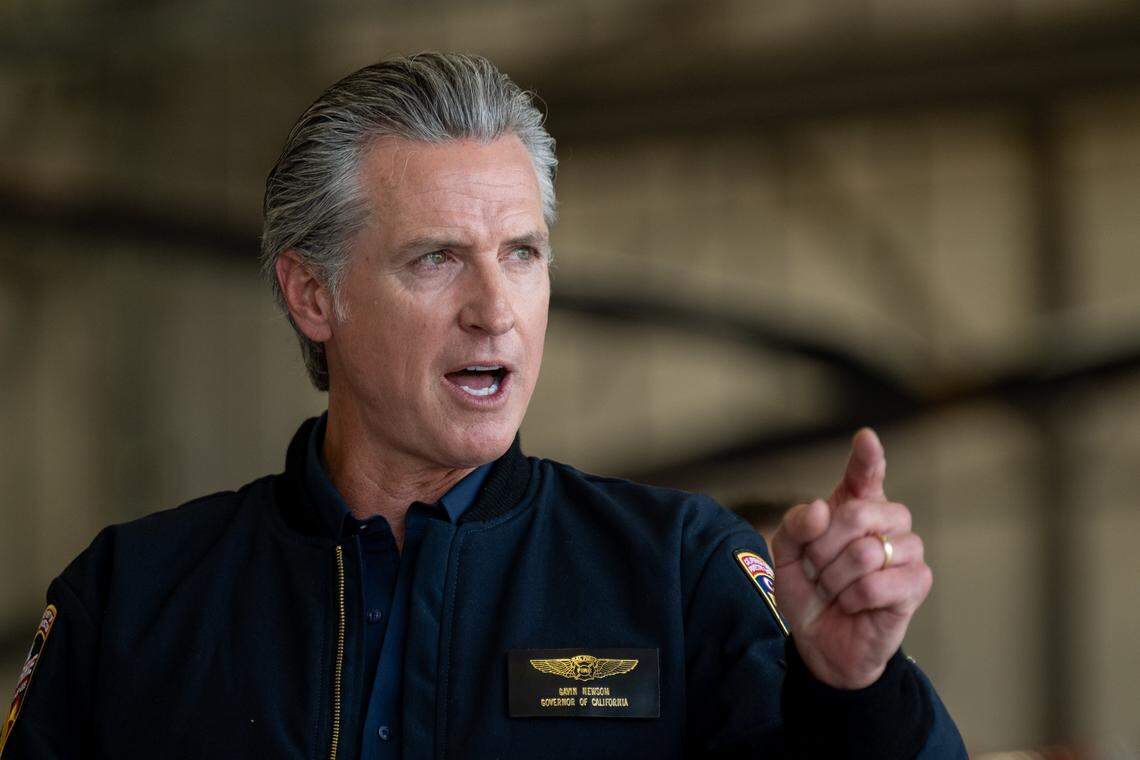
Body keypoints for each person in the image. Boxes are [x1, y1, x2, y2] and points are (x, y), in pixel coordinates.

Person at [0, 53, 967, 759]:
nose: (494, 310)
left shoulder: (681, 574)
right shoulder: (133, 600)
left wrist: (854, 692)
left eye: (522, 254)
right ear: (312, 295)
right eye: (436, 259)